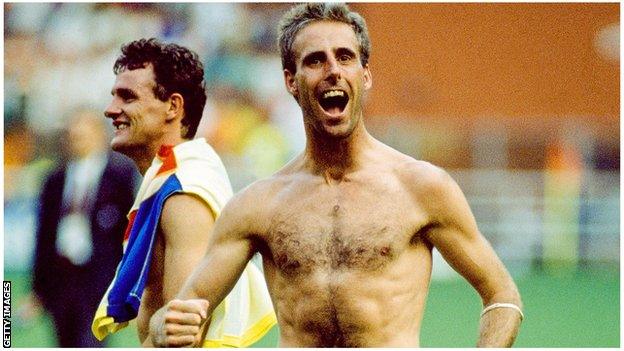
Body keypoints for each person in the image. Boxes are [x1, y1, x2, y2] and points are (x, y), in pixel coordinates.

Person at [149, 3, 523, 348]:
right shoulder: (257, 205)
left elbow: (502, 296)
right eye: (315, 60)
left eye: (345, 57)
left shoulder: (421, 187)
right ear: (291, 81)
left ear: (365, 75)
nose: (332, 71)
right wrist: (167, 323)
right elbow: (181, 310)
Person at [91, 38, 276, 347]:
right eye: (114, 97)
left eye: (127, 97)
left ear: (173, 107)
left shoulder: (184, 193)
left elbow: (182, 338)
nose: (111, 110)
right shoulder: (172, 179)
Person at [32, 107, 137, 347]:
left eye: (82, 135)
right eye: (72, 136)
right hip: (61, 278)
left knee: (89, 342)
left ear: (98, 135)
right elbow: (44, 236)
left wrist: (126, 283)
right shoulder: (54, 179)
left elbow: (127, 232)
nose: (75, 141)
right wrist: (38, 288)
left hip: (97, 280)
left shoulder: (119, 176)